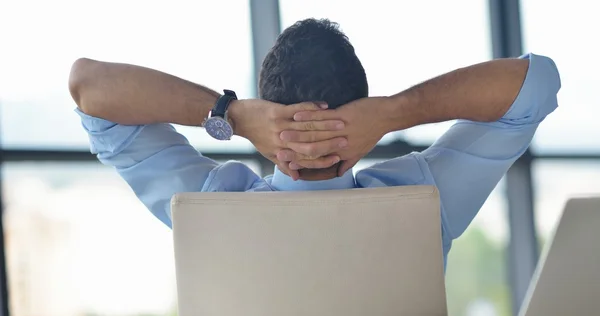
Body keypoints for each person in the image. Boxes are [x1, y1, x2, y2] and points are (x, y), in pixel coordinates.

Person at [68, 18, 560, 267]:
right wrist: (394, 113)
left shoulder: (210, 204)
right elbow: (535, 83)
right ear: (362, 111)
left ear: (268, 111)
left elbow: (89, 86)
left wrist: (231, 115)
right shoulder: (425, 197)